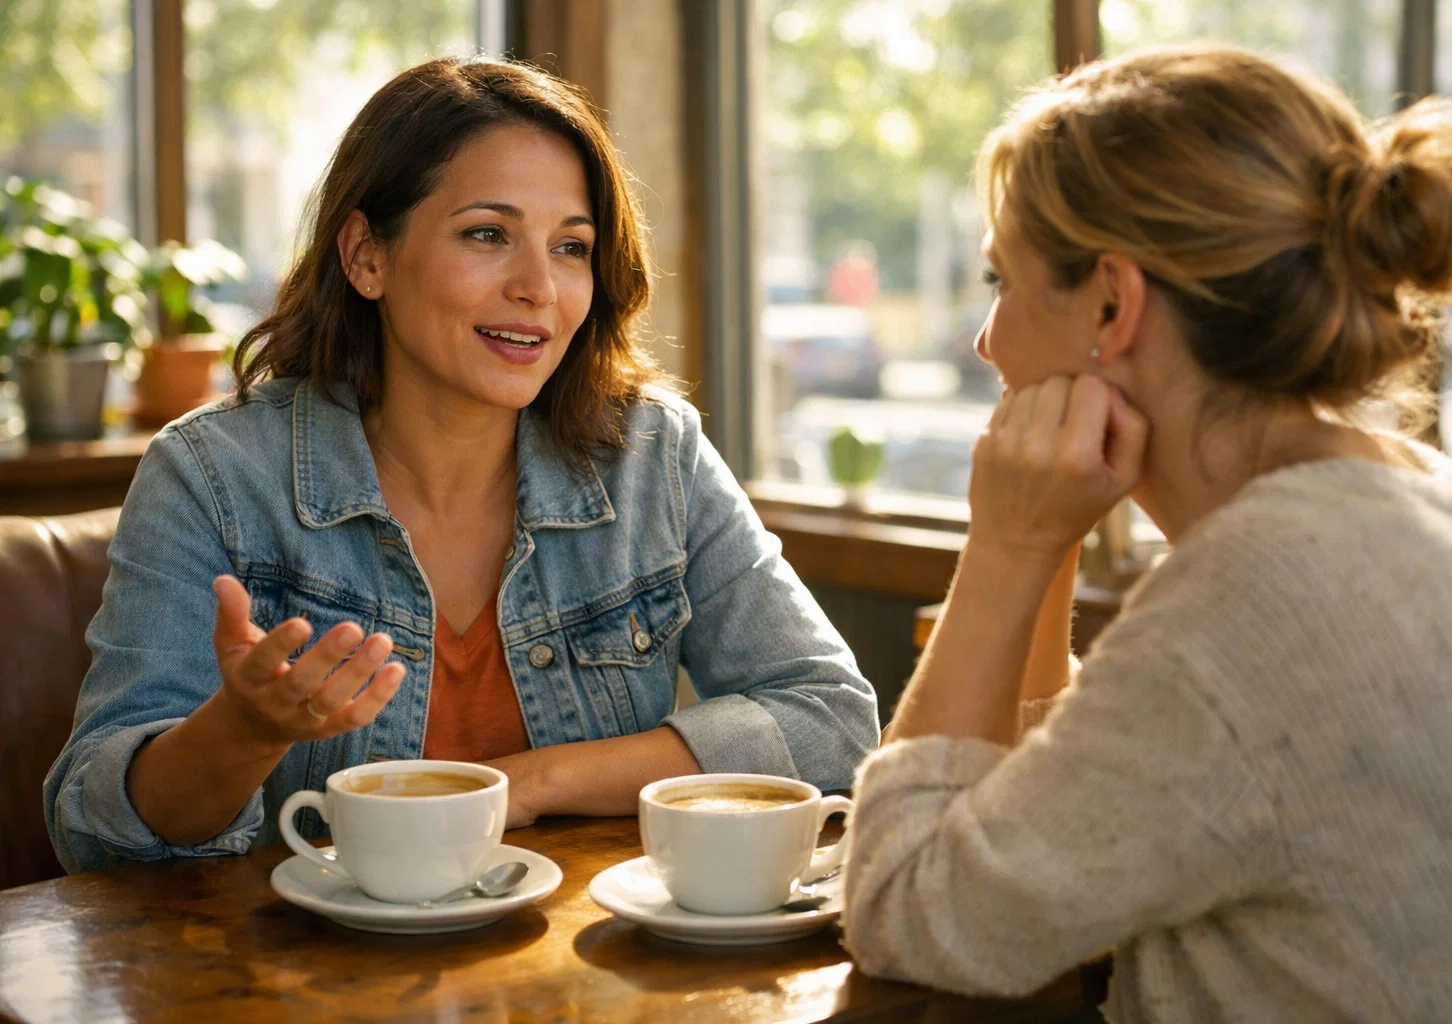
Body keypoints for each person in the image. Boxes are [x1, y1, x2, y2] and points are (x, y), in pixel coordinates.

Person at [46, 57, 878, 874]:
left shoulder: (653, 456)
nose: (539, 288)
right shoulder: (211, 477)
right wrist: (245, 730)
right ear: (367, 255)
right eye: (488, 234)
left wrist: (534, 782)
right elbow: (96, 831)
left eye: (571, 247)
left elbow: (832, 721)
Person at [842, 43, 1452, 1021]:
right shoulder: (1420, 495)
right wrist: (1044, 546)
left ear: (1114, 304)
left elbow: (905, 910)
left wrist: (1000, 549)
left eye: (1003, 281)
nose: (987, 341)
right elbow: (1070, 825)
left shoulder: (1261, 597)